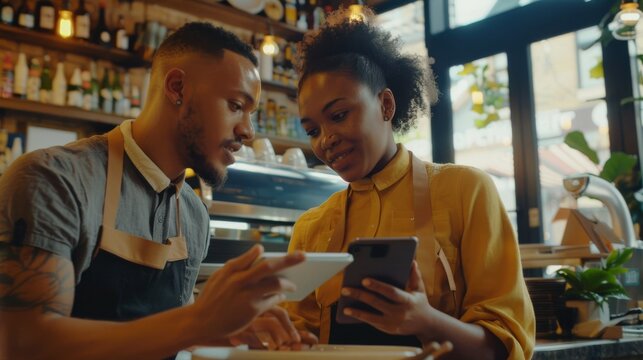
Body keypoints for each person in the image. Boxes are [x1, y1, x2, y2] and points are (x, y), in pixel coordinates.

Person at [0, 22, 314, 359]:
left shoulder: (194, 215)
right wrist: (200, 320)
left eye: (250, 113)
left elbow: (172, 333)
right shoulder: (54, 179)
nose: (248, 131)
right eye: (236, 105)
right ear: (177, 87)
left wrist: (228, 333)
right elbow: (25, 342)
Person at [283, 8, 535, 360]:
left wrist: (425, 320)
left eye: (339, 116)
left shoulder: (466, 191)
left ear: (386, 105)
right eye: (312, 131)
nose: (326, 140)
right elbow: (300, 341)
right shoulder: (311, 227)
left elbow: (506, 345)